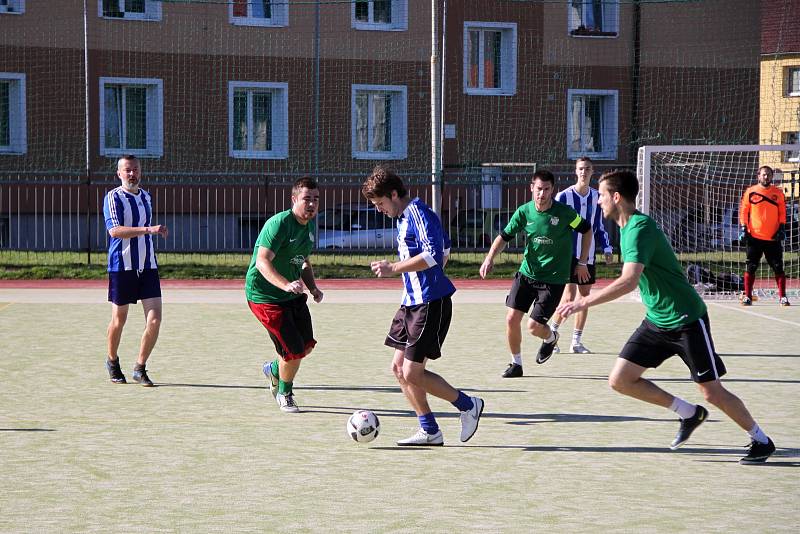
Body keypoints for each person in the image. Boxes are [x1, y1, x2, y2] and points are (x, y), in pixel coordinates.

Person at [557, 170, 776, 464]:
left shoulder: (639, 229)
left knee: (711, 392)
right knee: (621, 379)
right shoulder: (627, 228)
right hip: (657, 320)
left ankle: (761, 440)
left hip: (686, 319)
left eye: (602, 195)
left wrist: (583, 302)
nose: (598, 201)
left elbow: (628, 281)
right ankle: (689, 413)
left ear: (616, 197)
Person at [363, 165, 483, 446]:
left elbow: (433, 253)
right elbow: (446, 250)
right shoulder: (402, 217)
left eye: (380, 203)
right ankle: (429, 429)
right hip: (411, 302)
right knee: (398, 369)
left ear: (394, 194)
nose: (379, 209)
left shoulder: (419, 212)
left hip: (430, 302)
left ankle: (468, 405)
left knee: (411, 372)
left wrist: (395, 268)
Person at [480, 169, 593, 378]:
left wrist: (583, 262)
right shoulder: (524, 212)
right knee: (511, 319)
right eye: (538, 189)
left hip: (553, 280)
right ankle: (516, 364)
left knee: (533, 327)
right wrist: (489, 258)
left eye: (547, 189)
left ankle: (550, 338)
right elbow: (504, 237)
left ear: (552, 190)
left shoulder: (564, 213)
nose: (542, 194)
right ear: (532, 188)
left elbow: (587, 230)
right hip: (527, 274)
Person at [246, 177, 324, 414]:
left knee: (306, 346)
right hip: (265, 297)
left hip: (292, 295)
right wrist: (285, 285)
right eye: (306, 199)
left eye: (316, 200)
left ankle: (273, 369)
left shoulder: (309, 226)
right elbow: (262, 262)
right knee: (293, 351)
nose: (311, 204)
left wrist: (312, 287)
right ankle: (284, 393)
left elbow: (303, 261)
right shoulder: (279, 224)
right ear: (294, 199)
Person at [103, 154, 169, 387]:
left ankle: (140, 367)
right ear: (119, 173)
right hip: (122, 266)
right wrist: (149, 229)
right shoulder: (113, 197)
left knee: (155, 319)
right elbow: (115, 231)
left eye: (135, 170)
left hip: (147, 266)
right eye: (127, 170)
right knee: (119, 320)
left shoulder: (146, 197)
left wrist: (150, 232)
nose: (132, 174)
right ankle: (112, 361)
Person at [550, 157, 614, 354]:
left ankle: (576, 342)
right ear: (575, 171)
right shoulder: (563, 197)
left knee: (584, 297)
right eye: (580, 169)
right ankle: (552, 336)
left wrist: (607, 248)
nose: (583, 172)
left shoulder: (597, 197)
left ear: (592, 171)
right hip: (567, 256)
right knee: (568, 297)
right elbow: (554, 224)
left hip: (588, 257)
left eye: (587, 169)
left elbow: (599, 227)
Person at [739, 165, 789, 306]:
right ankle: (748, 296)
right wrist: (744, 227)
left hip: (773, 238)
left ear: (772, 177)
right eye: (764, 174)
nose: (766, 177)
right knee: (751, 267)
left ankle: (783, 297)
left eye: (768, 174)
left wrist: (781, 227)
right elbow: (744, 211)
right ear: (758, 176)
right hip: (754, 237)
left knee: (778, 267)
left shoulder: (777, 193)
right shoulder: (750, 191)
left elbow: (782, 212)